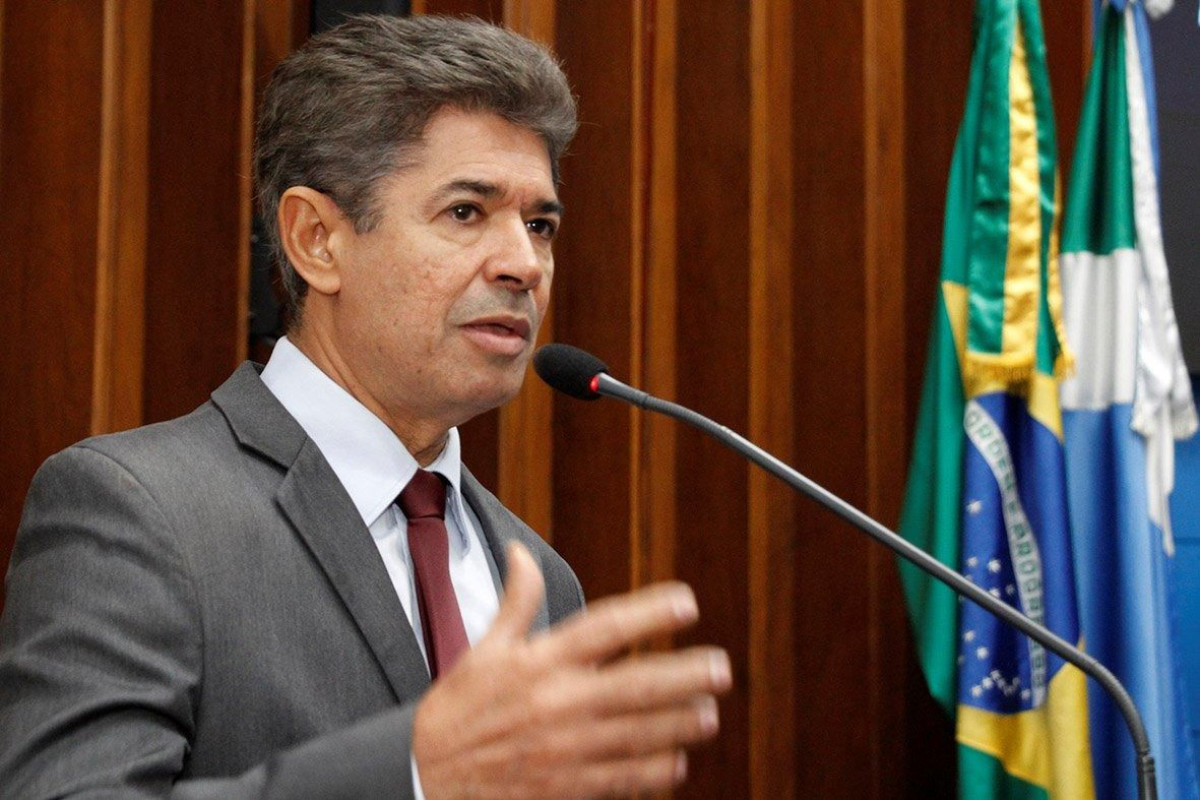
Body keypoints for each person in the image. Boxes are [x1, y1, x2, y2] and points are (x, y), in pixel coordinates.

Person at [0, 15, 730, 799]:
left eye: (540, 224)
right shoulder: (140, 511)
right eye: (466, 211)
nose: (525, 263)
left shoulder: (540, 578)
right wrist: (414, 773)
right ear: (317, 240)